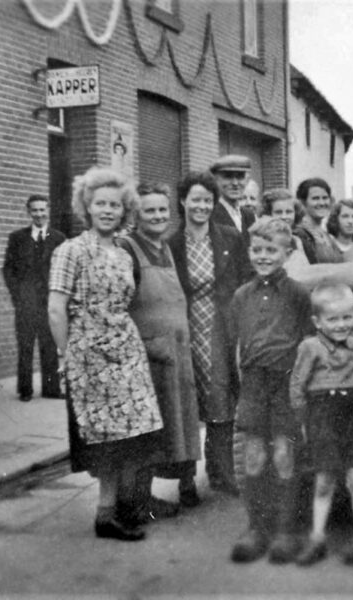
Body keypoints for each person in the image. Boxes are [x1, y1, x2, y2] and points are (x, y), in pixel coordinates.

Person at [48, 167, 163, 541]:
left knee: (134, 431)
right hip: (90, 353)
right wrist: (66, 357)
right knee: (107, 438)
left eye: (115, 204)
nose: (108, 210)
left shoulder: (123, 252)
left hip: (126, 349)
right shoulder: (70, 250)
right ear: (87, 206)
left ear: (125, 209)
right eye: (101, 204)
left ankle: (127, 506)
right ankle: (106, 515)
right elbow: (55, 308)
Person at [228, 217, 313, 564]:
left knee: (282, 454)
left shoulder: (297, 293)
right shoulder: (241, 295)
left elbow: (307, 341)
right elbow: (237, 344)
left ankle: (285, 530)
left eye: (271, 250)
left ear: (287, 253)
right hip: (254, 383)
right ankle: (256, 528)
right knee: (253, 454)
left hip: (285, 382)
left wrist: (300, 388)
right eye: (257, 249)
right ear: (250, 252)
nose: (263, 256)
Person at [116, 183, 200, 519]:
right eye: (150, 210)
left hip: (176, 351)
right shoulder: (127, 249)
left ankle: (167, 490)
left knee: (174, 424)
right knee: (146, 431)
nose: (158, 216)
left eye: (163, 210)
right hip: (147, 356)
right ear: (136, 215)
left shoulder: (165, 247)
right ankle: (138, 500)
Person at [168, 171, 252, 500]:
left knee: (221, 402)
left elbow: (245, 281)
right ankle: (186, 480)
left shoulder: (230, 237)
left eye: (207, 200)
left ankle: (221, 471)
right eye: (195, 200)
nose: (201, 206)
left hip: (220, 330)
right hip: (186, 331)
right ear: (182, 202)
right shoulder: (171, 244)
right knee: (186, 406)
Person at [291, 284, 353, 567]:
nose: (342, 325)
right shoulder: (310, 347)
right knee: (324, 478)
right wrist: (303, 423)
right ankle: (317, 537)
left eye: (348, 317)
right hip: (322, 415)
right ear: (317, 322)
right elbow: (298, 386)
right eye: (333, 319)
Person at [3, 194, 66, 402]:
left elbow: (65, 270)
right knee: (26, 346)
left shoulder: (59, 238)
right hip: (26, 303)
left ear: (48, 211)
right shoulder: (17, 238)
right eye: (34, 210)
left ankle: (51, 389)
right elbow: (8, 269)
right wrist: (17, 295)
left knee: (50, 346)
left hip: (50, 303)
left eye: (42, 210)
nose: (39, 214)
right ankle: (25, 390)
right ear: (28, 212)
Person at [261, 188, 310, 275]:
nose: (284, 216)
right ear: (268, 214)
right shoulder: (263, 243)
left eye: (289, 212)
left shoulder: (298, 241)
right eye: (278, 212)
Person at [295, 178, 344, 264]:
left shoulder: (327, 235)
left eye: (325, 198)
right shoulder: (300, 234)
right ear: (303, 202)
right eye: (315, 198)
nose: (321, 203)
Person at [210, 155, 257, 241]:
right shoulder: (210, 213)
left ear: (246, 180)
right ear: (216, 180)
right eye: (228, 176)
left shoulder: (248, 215)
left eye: (240, 177)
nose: (235, 183)